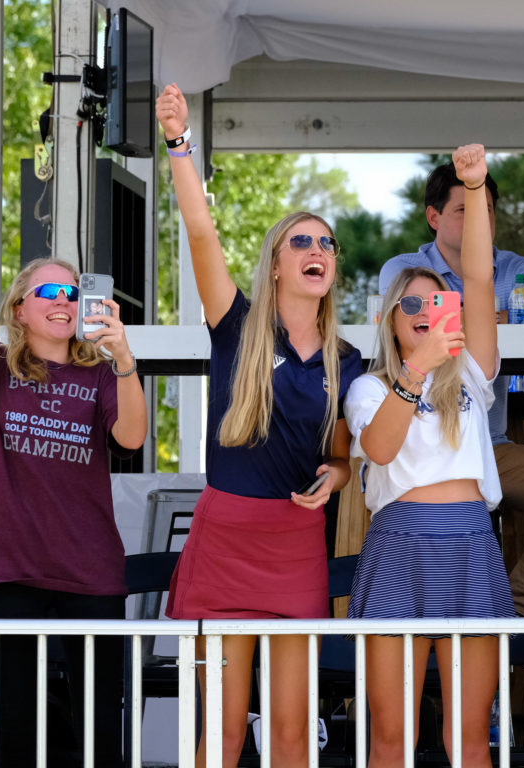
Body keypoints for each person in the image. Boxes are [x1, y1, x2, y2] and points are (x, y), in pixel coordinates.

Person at [155, 84, 363, 768]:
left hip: (295, 545)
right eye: (301, 240)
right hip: (225, 538)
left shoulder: (346, 359)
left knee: (293, 736)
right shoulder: (237, 324)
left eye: (327, 243)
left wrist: (337, 475)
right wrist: (179, 142)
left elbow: (342, 456)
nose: (317, 249)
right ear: (277, 262)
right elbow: (201, 232)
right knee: (222, 734)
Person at [0, 164, 148, 767]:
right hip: (13, 574)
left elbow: (131, 437)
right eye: (49, 293)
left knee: (100, 733)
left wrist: (123, 357)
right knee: (16, 731)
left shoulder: (101, 374)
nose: (64, 302)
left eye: (73, 293)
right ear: (20, 309)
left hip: (91, 573)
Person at [346, 144, 514, 767]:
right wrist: (416, 369)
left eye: (436, 303)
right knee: (392, 741)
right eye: (410, 305)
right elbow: (380, 448)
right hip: (399, 544)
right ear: (391, 319)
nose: (423, 312)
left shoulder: (470, 372)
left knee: (469, 742)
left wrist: (473, 186)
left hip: (470, 540)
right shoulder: (368, 388)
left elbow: (481, 278)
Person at [379, 161, 524, 616]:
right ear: (433, 217)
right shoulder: (404, 268)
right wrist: (491, 317)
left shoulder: (517, 266)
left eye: (486, 208)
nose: (480, 219)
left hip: (489, 446)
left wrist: (461, 316)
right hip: (414, 455)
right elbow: (417, 328)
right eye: (465, 209)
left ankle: (516, 602)